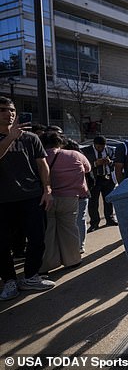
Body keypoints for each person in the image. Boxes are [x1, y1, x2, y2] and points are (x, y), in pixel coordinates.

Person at [0, 97, 55, 300]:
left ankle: (31, 276)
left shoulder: (30, 138)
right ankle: (9, 281)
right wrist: (9, 138)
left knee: (37, 239)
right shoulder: (13, 136)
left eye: (12, 110)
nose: (9, 113)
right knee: (3, 244)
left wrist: (47, 190)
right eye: (3, 110)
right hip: (3, 200)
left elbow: (42, 165)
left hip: (32, 197)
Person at [39, 132, 90, 273]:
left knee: (48, 231)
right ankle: (73, 260)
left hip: (46, 198)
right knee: (70, 228)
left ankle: (47, 263)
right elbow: (88, 169)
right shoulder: (74, 155)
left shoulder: (39, 156)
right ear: (60, 142)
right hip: (70, 198)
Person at [81, 136, 117, 233]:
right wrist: (95, 164)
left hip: (107, 178)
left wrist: (110, 162)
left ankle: (110, 219)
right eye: (98, 147)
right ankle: (94, 223)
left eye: (103, 147)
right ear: (94, 144)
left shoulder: (110, 150)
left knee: (109, 200)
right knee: (93, 202)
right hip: (94, 179)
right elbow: (83, 165)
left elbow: (116, 162)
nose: (101, 149)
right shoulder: (86, 151)